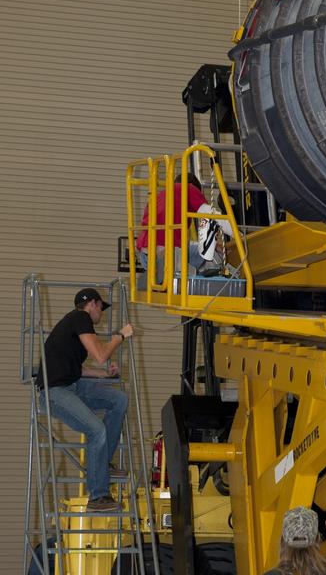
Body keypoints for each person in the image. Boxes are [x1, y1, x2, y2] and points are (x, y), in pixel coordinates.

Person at [36, 288, 133, 514]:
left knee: (119, 400)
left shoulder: (72, 328)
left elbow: (76, 369)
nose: (102, 313)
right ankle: (98, 497)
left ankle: (103, 465)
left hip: (71, 385)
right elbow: (101, 355)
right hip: (55, 392)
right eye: (101, 307)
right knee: (96, 429)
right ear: (92, 304)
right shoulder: (80, 318)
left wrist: (104, 375)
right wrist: (120, 335)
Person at [136, 171, 233, 277]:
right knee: (211, 258)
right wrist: (237, 234)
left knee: (201, 251)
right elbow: (211, 215)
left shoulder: (160, 196)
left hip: (146, 255)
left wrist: (212, 245)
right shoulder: (188, 189)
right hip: (164, 254)